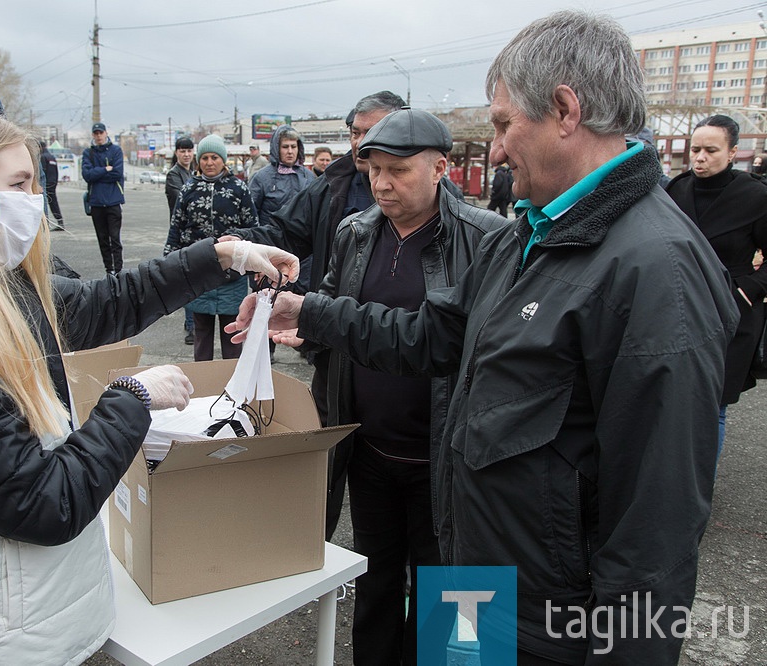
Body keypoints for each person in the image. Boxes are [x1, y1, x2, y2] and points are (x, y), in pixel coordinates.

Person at [230, 11, 738, 664]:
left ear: (565, 110)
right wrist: (310, 312)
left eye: (502, 125)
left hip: (546, 627)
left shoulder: (654, 269)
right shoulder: (532, 235)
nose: (494, 150)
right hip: (476, 576)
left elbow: (654, 535)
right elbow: (432, 339)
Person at [0, 101, 296, 665]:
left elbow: (104, 303)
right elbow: (42, 502)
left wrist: (223, 254)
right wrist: (133, 399)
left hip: (20, 599)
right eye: (17, 184)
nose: (33, 202)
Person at [304, 108, 505, 665]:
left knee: (460, 601)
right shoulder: (354, 232)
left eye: (398, 169)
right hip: (370, 454)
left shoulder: (488, 241)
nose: (382, 183)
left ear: (442, 167)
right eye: (372, 169)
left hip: (451, 462)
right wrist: (304, 332)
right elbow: (331, 312)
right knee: (374, 585)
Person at [226, 90, 405, 539]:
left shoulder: (457, 218)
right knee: (328, 458)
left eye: (374, 133)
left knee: (400, 491)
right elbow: (284, 231)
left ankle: (414, 581)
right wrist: (236, 249)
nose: (362, 145)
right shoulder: (333, 183)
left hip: (405, 360)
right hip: (335, 345)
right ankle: (314, 555)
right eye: (355, 134)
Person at [665, 114, 767, 455]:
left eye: (711, 150)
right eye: (695, 149)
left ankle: (701, 489)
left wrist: (749, 289)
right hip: (678, 306)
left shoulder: (756, 195)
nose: (700, 157)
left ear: (733, 152)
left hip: (732, 310)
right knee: (673, 399)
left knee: (714, 404)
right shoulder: (676, 189)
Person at [165, 135, 257, 362]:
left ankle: (233, 389)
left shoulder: (239, 189)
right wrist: (168, 260)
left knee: (233, 335)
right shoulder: (188, 189)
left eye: (214, 157)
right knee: (202, 334)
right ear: (198, 161)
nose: (209, 162)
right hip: (199, 271)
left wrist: (255, 265)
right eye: (204, 157)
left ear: (223, 160)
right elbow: (176, 226)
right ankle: (203, 386)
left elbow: (253, 228)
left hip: (232, 273)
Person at [248, 124, 313, 227]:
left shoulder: (309, 177)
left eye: (293, 146)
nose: (290, 151)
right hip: (269, 239)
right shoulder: (261, 178)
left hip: (302, 239)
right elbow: (251, 212)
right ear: (276, 148)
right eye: (285, 147)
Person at [82, 122, 125, 273]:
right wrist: (105, 169)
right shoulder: (89, 153)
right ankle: (109, 269)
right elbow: (87, 175)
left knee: (115, 238)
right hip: (96, 202)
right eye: (96, 133)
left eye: (101, 133)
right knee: (102, 239)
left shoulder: (116, 151)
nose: (99, 136)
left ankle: (118, 269)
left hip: (113, 201)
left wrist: (98, 174)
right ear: (93, 135)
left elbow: (117, 173)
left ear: (106, 133)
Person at [166, 137, 197, 345]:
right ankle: (191, 325)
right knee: (190, 280)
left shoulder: (192, 173)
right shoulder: (173, 176)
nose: (186, 154)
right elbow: (184, 200)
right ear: (176, 153)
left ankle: (192, 322)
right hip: (182, 235)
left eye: (189, 151)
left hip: (193, 234)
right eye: (182, 151)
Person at [39, 140, 63, 230]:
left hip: (46, 184)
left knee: (45, 202)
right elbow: (56, 171)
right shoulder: (52, 157)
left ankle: (45, 224)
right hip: (53, 182)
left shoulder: (42, 157)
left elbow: (43, 172)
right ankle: (60, 221)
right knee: (53, 203)